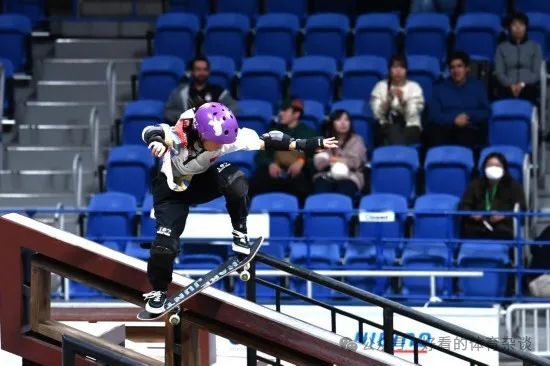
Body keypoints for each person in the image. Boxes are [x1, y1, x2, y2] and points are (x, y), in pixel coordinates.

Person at [140, 101, 337, 313]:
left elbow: (267, 140)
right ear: (202, 134)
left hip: (199, 182)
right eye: (216, 142)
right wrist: (157, 142)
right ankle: (159, 291)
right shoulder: (181, 134)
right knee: (164, 246)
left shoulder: (226, 139)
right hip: (171, 192)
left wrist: (308, 144)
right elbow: (151, 130)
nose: (221, 146)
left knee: (235, 178)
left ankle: (240, 233)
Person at [249, 98, 318, 204]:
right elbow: (261, 154)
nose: (280, 113)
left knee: (302, 185)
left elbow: (315, 157)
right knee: (255, 182)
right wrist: (270, 164)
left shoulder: (309, 133)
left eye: (285, 110)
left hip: (297, 173)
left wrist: (301, 162)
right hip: (274, 171)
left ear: (296, 114)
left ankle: (297, 217)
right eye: (280, 110)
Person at [427, 51, 490, 149]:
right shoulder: (439, 88)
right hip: (445, 129)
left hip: (469, 128)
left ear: (467, 68)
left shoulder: (478, 86)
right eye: (452, 67)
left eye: (459, 66)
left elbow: (486, 112)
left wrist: (467, 116)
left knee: (467, 134)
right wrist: (453, 120)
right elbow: (434, 115)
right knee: (433, 131)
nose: (456, 70)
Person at [459, 152, 526, 240]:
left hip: (503, 228)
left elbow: (522, 209)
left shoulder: (513, 186)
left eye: (497, 165)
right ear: (484, 168)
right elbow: (464, 205)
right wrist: (472, 214)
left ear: (504, 168)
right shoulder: (475, 185)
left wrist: (504, 216)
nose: (493, 168)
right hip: (478, 225)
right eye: (490, 165)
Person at [370, 54, 424, 146]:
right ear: (389, 70)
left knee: (395, 134)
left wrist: (403, 102)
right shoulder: (380, 86)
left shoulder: (415, 87)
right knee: (391, 130)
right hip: (385, 126)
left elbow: (413, 114)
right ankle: (401, 156)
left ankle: (395, 154)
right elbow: (377, 114)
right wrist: (388, 101)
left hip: (410, 127)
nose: (398, 71)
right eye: (394, 67)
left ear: (406, 70)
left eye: (401, 67)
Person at [313, 110, 367, 199]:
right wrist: (342, 160)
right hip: (326, 175)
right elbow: (318, 163)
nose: (343, 123)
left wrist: (332, 159)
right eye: (338, 120)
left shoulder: (357, 140)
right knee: (321, 194)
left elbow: (355, 162)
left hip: (350, 176)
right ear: (332, 123)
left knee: (343, 194)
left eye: (346, 120)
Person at [164, 56, 237, 123]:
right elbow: (168, 112)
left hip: (213, 133)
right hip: (186, 132)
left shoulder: (218, 91)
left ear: (209, 72)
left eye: (205, 69)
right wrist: (186, 118)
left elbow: (232, 108)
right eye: (198, 69)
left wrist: (215, 118)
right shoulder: (181, 92)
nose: (202, 73)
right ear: (191, 71)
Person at [494, 12, 542, 104]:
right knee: (502, 91)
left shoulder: (535, 47)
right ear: (509, 28)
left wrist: (522, 84)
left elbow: (536, 73)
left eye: (521, 24)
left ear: (526, 28)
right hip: (507, 87)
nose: (518, 28)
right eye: (514, 25)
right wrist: (510, 85)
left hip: (528, 86)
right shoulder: (501, 48)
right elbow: (499, 73)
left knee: (530, 91)